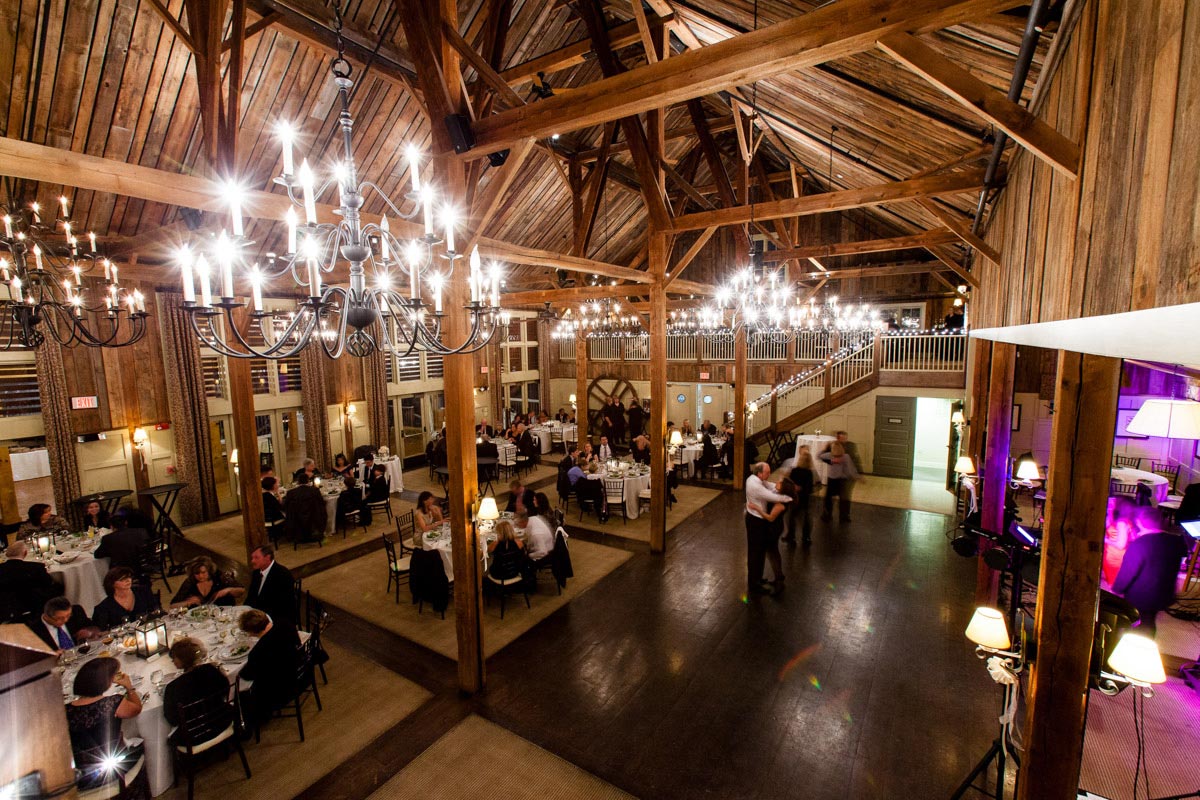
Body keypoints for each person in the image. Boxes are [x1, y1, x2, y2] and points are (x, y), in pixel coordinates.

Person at [65, 656, 148, 797]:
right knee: (143, 742)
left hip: (81, 777)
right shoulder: (112, 703)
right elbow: (136, 709)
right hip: (113, 771)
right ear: (105, 682)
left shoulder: (65, 710)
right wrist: (129, 687)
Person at [1113, 502, 1189, 635]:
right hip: (1164, 593)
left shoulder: (1139, 545)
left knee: (1137, 624)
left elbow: (1128, 573)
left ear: (1139, 523)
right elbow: (1183, 553)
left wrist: (1117, 589)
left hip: (1141, 595)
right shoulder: (1176, 541)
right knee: (1149, 621)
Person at [237, 609, 302, 727]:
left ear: (252, 632)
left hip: (278, 689)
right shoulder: (285, 624)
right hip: (295, 672)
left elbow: (247, 675)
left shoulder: (259, 651)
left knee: (240, 692)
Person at [162, 637, 231, 737]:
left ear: (181, 659)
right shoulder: (210, 670)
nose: (172, 661)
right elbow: (226, 689)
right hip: (223, 720)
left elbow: (172, 719)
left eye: (174, 658)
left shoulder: (173, 687)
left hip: (194, 735)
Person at [745, 462, 791, 594]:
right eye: (767, 472)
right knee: (756, 553)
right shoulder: (756, 485)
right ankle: (754, 583)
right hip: (756, 522)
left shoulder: (754, 479)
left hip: (767, 525)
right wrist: (788, 497)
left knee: (761, 552)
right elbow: (772, 495)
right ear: (759, 473)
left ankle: (758, 579)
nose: (770, 475)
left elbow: (770, 486)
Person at [0, 540, 59, 620]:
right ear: (25, 553)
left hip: (6, 608)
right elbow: (48, 584)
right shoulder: (36, 567)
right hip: (34, 605)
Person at [92, 567, 161, 629]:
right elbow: (100, 631)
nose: (128, 580)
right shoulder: (104, 607)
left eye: (129, 577)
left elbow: (156, 610)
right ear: (112, 584)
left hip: (148, 630)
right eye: (122, 579)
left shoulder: (143, 591)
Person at [246, 545, 297, 626]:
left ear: (267, 557)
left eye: (256, 558)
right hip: (258, 616)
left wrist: (259, 618)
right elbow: (251, 597)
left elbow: (283, 605)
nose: (252, 561)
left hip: (278, 619)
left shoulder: (283, 574)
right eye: (252, 558)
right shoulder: (256, 573)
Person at [26, 596, 97, 652]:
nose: (66, 620)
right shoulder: (33, 632)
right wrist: (52, 656)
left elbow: (96, 628)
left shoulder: (76, 612)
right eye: (60, 618)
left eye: (68, 615)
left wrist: (90, 632)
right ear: (47, 616)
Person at [170, 556, 244, 608]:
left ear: (209, 570)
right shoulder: (190, 582)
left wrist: (228, 590)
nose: (200, 576)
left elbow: (241, 590)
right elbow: (173, 605)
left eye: (203, 572)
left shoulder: (219, 577)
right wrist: (187, 603)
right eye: (197, 573)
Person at [782, 447, 815, 546]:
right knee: (806, 519)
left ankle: (791, 537)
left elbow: (789, 483)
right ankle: (806, 538)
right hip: (805, 498)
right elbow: (810, 488)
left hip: (794, 498)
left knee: (791, 517)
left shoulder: (795, 471)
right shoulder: (809, 473)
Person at [820, 442, 860, 522]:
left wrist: (828, 453)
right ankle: (843, 517)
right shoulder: (846, 456)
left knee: (828, 499)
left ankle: (828, 515)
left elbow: (819, 455)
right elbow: (850, 468)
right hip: (841, 481)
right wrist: (855, 476)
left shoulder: (829, 455)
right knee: (843, 499)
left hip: (832, 480)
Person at [282, 473, 326, 544]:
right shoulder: (315, 491)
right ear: (308, 481)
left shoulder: (291, 493)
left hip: (296, 519)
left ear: (298, 482)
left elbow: (286, 506)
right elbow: (321, 503)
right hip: (313, 518)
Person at [523, 492, 556, 563]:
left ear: (539, 501)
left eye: (535, 500)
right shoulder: (542, 509)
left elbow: (542, 529)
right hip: (547, 536)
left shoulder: (545, 515)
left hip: (549, 540)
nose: (533, 501)